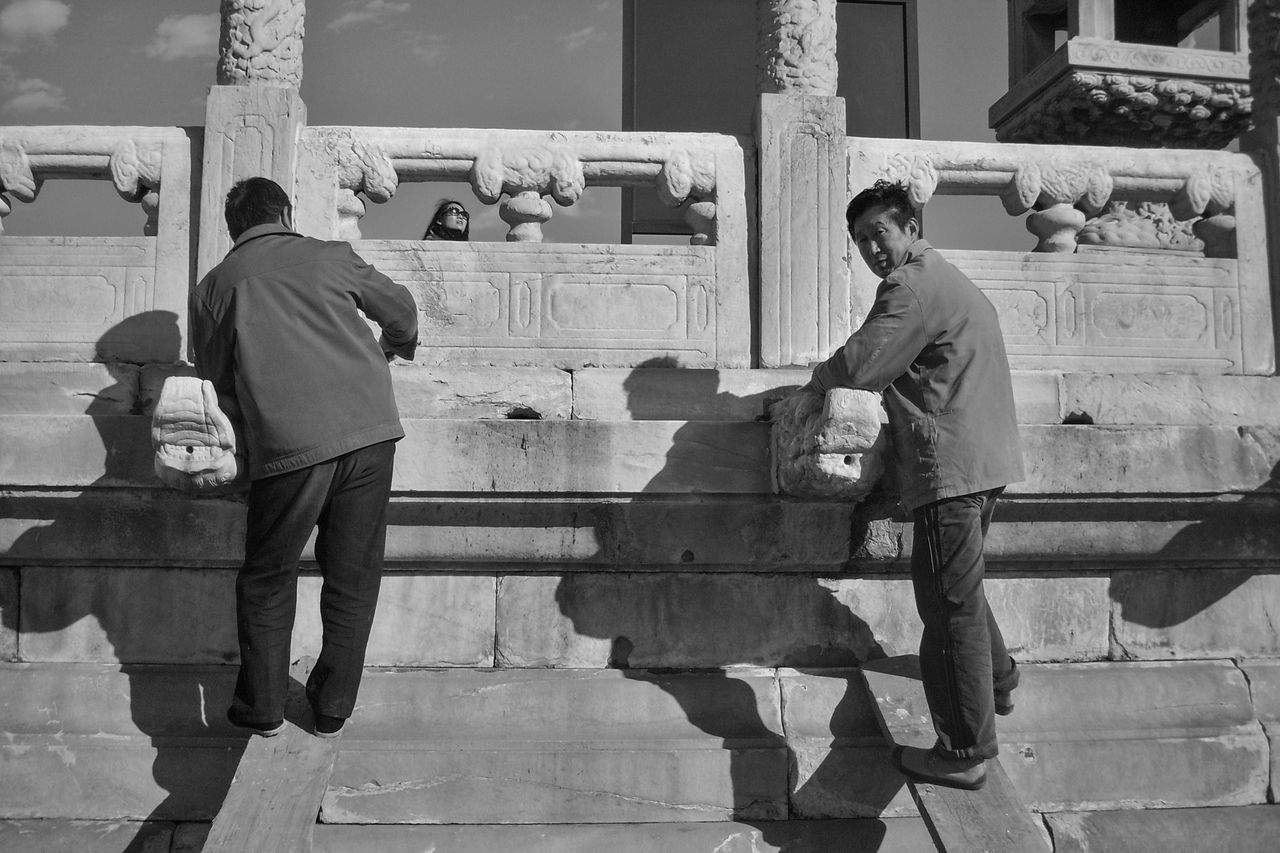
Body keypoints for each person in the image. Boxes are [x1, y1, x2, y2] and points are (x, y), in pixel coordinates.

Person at [806, 180, 1024, 790]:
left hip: (950, 466)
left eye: (879, 233)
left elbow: (861, 364)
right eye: (861, 241)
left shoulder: (911, 287)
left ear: (908, 227)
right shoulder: (946, 276)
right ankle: (1000, 678)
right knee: (962, 588)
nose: (872, 249)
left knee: (947, 608)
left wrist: (809, 386)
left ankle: (964, 752)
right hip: (982, 458)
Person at [190, 176, 419, 739]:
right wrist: (391, 347)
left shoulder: (215, 288)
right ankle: (332, 707)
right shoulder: (332, 256)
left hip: (289, 448)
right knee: (354, 576)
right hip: (369, 433)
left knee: (268, 578)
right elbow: (403, 313)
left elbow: (214, 381)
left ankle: (263, 710)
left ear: (234, 229)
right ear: (286, 213)